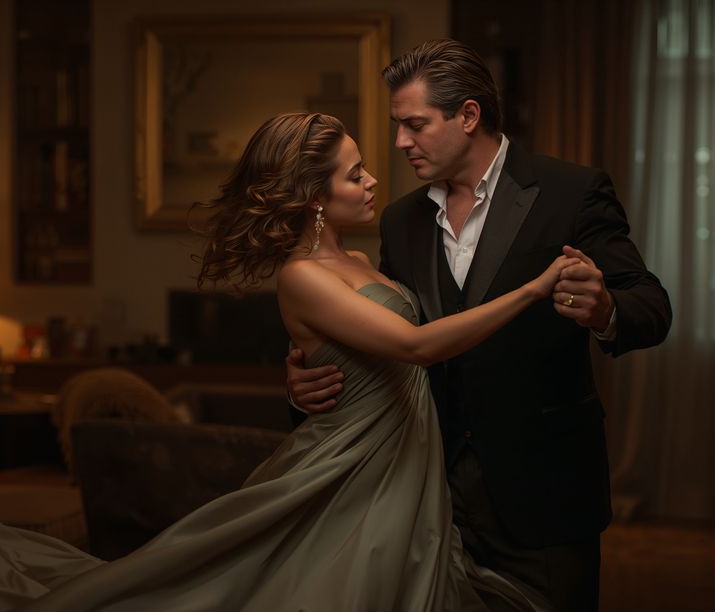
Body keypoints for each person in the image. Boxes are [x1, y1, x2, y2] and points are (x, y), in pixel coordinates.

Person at [0, 112, 569, 612]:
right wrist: (535, 289)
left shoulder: (356, 258)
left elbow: (382, 350)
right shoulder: (301, 278)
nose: (374, 180)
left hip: (399, 457)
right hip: (349, 467)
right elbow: (414, 346)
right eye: (355, 175)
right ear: (316, 198)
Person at [286, 40, 672, 611]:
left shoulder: (570, 192)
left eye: (414, 125)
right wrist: (304, 375)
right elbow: (381, 333)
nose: (400, 143)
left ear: (468, 116)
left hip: (542, 496)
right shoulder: (401, 220)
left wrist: (605, 310)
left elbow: (652, 305)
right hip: (426, 495)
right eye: (398, 126)